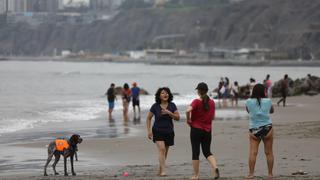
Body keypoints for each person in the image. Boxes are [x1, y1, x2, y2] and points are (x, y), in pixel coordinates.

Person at [186, 82, 220, 180]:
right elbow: (213, 117)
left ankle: (196, 175)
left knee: (195, 152)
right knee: (207, 151)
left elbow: (188, 110)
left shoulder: (196, 101)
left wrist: (189, 120)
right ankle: (215, 167)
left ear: (199, 91)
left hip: (196, 130)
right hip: (207, 130)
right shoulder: (212, 102)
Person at [146, 87, 180, 176]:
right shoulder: (155, 106)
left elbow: (178, 118)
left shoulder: (172, 105)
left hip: (169, 131)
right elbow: (148, 118)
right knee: (162, 149)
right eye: (163, 93)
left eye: (167, 93)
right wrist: (149, 131)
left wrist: (169, 113)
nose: (165, 94)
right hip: (157, 131)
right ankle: (164, 171)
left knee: (165, 152)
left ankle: (160, 169)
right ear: (159, 96)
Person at [245, 84, 274, 179]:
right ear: (263, 92)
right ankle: (270, 174)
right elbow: (272, 111)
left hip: (254, 129)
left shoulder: (248, 101)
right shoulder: (268, 101)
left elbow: (248, 111)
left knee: (253, 152)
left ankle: (251, 174)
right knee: (269, 152)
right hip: (267, 128)